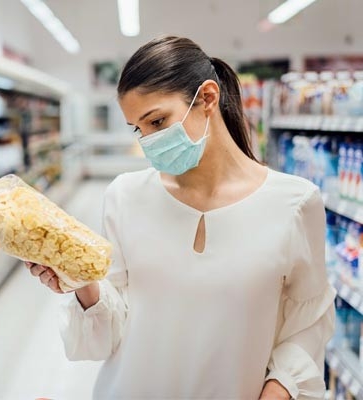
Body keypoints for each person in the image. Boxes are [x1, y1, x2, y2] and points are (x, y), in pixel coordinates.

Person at [26, 36, 335, 400]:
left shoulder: (295, 204)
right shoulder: (125, 196)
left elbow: (308, 323)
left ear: (207, 97)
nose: (149, 141)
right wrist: (83, 286)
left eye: (157, 121)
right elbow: (105, 340)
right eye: (138, 129)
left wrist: (280, 388)